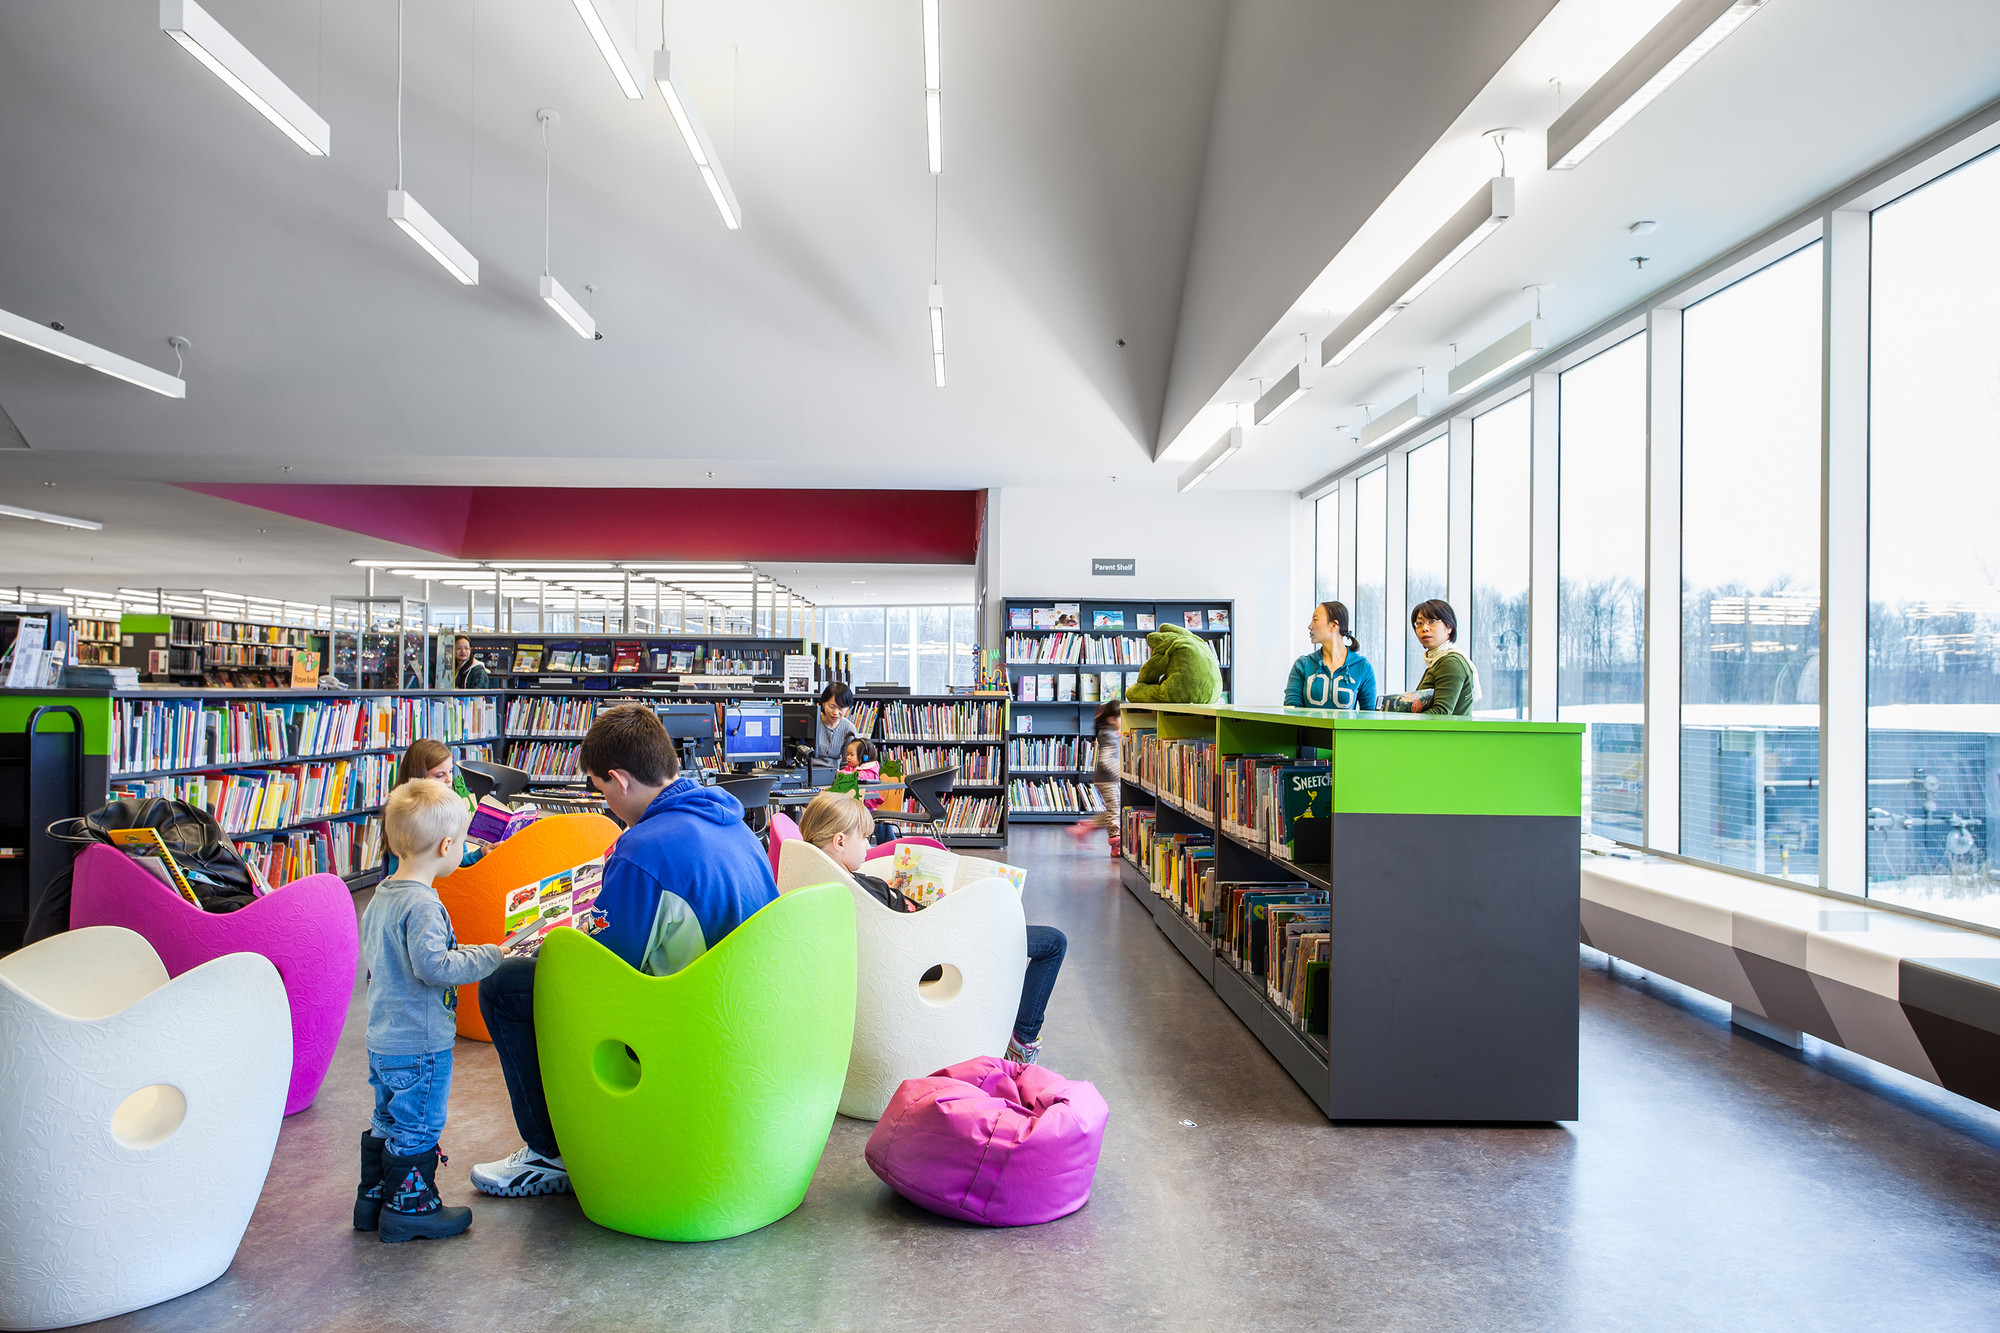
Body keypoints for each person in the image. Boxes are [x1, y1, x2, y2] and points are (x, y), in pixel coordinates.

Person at [471, 704, 778, 1198]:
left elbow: (605, 970)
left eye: (600, 788)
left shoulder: (643, 846)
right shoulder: (733, 821)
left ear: (620, 780)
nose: (605, 803)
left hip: (683, 1023)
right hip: (745, 1014)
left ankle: (550, 1152)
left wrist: (557, 943)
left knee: (504, 985)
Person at [799, 792, 1067, 1066]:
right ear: (840, 841)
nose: (869, 846)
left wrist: (890, 891)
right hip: (937, 946)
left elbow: (881, 910)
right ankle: (1021, 1044)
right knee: (1053, 943)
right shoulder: (853, 887)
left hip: (929, 933)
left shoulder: (833, 877)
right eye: (865, 837)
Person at [354, 778, 502, 1242]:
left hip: (384, 1038)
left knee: (388, 1119)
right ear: (445, 846)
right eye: (461, 843)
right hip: (420, 1042)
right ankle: (412, 1209)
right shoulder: (422, 904)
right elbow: (434, 965)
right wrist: (491, 955)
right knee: (418, 1124)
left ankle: (372, 1201)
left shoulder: (382, 895)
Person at [382, 740, 485, 877]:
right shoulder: (406, 816)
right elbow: (397, 874)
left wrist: (481, 853)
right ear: (419, 777)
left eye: (450, 771)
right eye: (440, 775)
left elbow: (457, 861)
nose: (449, 779)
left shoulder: (452, 809)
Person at [1389, 599, 1479, 716]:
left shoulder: (1450, 662)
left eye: (1432, 621)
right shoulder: (1437, 661)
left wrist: (1401, 720)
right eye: (1419, 623)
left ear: (1449, 627)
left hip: (1445, 734)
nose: (1425, 628)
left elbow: (1440, 713)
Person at [1285, 601, 1377, 710]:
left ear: (1333, 625)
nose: (1310, 626)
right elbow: (1291, 710)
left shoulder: (1362, 667)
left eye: (1315, 620)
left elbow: (1369, 715)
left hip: (1345, 728)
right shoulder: (1302, 665)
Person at [1070, 700, 1121, 856]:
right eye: (1121, 718)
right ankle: (1115, 842)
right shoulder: (1108, 735)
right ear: (1111, 719)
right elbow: (1105, 760)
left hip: (1108, 779)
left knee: (1115, 809)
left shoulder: (1109, 733)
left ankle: (1087, 826)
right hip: (1107, 780)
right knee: (1115, 810)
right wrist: (1122, 773)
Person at [814, 682, 859, 768]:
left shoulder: (849, 728)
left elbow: (848, 763)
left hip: (835, 774)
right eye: (832, 706)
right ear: (823, 703)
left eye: (841, 708)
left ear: (848, 708)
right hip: (808, 772)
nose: (835, 712)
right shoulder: (812, 721)